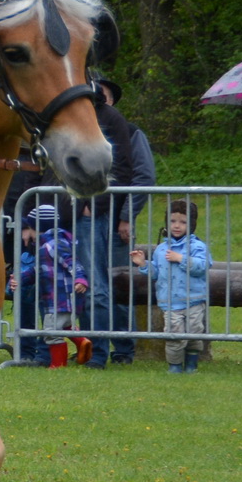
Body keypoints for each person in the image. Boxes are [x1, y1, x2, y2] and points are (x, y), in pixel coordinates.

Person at [71, 75, 136, 368]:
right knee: (71, 283)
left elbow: (122, 167)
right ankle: (72, 349)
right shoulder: (65, 113)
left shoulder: (110, 117)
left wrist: (92, 204)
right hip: (62, 211)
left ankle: (97, 353)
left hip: (91, 213)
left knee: (95, 285)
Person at [94, 77, 154, 364]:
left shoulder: (129, 132)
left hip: (116, 221)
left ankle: (123, 349)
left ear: (112, 99)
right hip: (87, 216)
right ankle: (94, 346)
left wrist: (126, 217)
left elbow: (144, 177)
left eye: (102, 93)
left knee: (118, 282)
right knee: (91, 282)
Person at [130, 199, 211, 373]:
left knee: (194, 334)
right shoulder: (161, 249)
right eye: (173, 221)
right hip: (171, 302)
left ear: (192, 224)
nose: (177, 226)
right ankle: (174, 366)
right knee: (174, 336)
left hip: (194, 300)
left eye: (183, 222)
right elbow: (156, 273)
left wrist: (181, 259)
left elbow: (204, 266)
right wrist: (143, 264)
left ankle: (191, 364)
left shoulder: (197, 246)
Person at [12, 199, 89, 366]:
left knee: (52, 332)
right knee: (63, 325)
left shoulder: (52, 245)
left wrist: (80, 278)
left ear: (36, 228)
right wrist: (20, 279)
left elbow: (72, 262)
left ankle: (58, 364)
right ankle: (82, 342)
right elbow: (37, 272)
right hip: (60, 298)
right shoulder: (50, 244)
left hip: (59, 298)